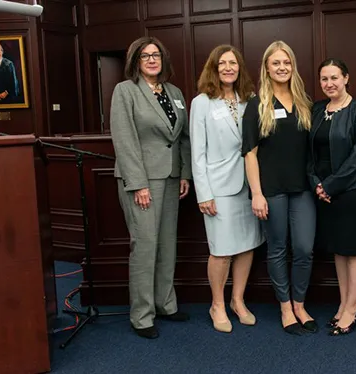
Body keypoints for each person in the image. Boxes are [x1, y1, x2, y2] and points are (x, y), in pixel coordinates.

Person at [110, 36, 192, 339]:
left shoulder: (174, 92)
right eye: (145, 56)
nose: (152, 60)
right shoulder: (126, 91)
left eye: (156, 55)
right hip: (141, 181)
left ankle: (165, 303)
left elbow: (181, 138)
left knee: (166, 243)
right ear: (135, 61)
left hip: (171, 178)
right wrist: (138, 184)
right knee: (145, 246)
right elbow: (124, 139)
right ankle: (142, 316)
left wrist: (184, 173)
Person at [242, 40, 317, 335]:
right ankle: (285, 307)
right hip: (270, 189)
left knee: (304, 248)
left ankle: (299, 303)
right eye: (276, 63)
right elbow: (250, 153)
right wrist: (257, 193)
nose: (282, 67)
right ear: (266, 67)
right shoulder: (256, 104)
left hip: (302, 188)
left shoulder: (304, 102)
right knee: (276, 249)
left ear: (292, 66)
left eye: (286, 62)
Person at [190, 45, 264, 333]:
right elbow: (197, 151)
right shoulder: (202, 103)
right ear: (214, 68)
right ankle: (217, 304)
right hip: (218, 187)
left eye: (233, 63)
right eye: (222, 63)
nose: (228, 68)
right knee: (221, 250)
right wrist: (203, 193)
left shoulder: (250, 100)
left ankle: (237, 300)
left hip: (250, 185)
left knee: (247, 246)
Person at [308, 58, 356, 335]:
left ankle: (353, 307)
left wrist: (332, 185)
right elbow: (308, 151)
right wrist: (316, 184)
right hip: (324, 192)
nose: (329, 84)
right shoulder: (316, 109)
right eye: (324, 79)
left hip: (353, 190)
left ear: (346, 78)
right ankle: (343, 303)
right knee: (338, 249)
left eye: (335, 77)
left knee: (354, 249)